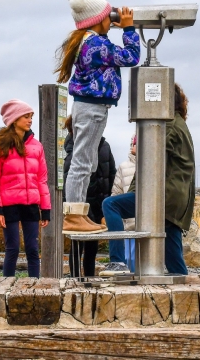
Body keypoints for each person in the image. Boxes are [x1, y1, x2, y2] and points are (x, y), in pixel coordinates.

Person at [55, 0, 140, 234]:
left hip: (92, 107)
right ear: (97, 20)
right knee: (82, 162)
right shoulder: (95, 44)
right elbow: (131, 57)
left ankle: (78, 213)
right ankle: (73, 215)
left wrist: (113, 23)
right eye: (107, 15)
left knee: (88, 162)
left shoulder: (89, 41)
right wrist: (129, 29)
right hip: (91, 108)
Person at [102, 83, 195, 275]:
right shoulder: (178, 123)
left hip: (163, 195)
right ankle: (185, 291)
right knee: (173, 256)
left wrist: (141, 148)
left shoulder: (166, 124)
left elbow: (151, 155)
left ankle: (118, 262)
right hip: (176, 198)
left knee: (111, 205)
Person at [0, 99, 51, 277]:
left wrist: (45, 209)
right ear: (14, 119)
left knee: (32, 249)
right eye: (26, 116)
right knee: (12, 248)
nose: (30, 120)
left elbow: (42, 179)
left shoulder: (37, 147)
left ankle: (35, 288)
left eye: (31, 116)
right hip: (9, 205)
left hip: (31, 204)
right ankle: (5, 287)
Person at [62, 115, 115, 277]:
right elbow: (68, 183)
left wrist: (106, 203)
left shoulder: (105, 146)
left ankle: (90, 278)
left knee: (92, 248)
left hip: (100, 203)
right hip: (81, 207)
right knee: (77, 246)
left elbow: (111, 174)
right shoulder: (73, 152)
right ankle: (76, 278)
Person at [110, 134, 137, 271]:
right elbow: (116, 194)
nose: (135, 145)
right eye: (134, 143)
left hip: (149, 227)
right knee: (130, 263)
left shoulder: (155, 165)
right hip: (129, 227)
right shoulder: (123, 167)